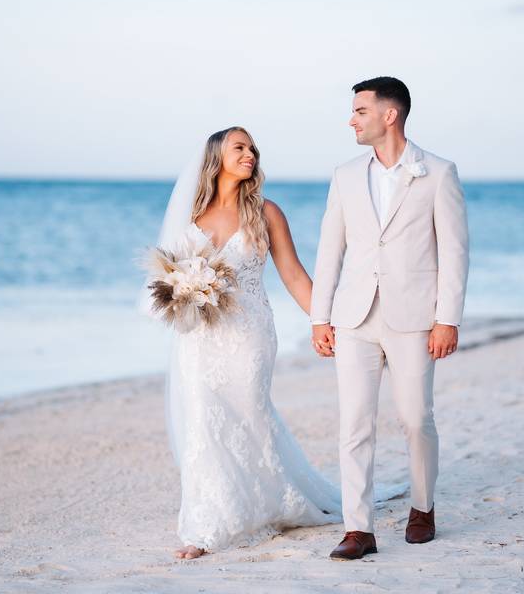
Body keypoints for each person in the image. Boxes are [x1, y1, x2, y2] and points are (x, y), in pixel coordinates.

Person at [155, 126, 342, 560]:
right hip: (199, 338)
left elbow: (294, 275)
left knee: (251, 415)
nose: (251, 154)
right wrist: (185, 292)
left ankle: (265, 502)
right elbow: (165, 280)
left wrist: (324, 322)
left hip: (251, 334)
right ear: (217, 156)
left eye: (253, 148)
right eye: (240, 147)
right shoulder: (188, 218)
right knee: (203, 419)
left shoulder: (266, 212)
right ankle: (204, 526)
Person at [310, 77, 469, 560]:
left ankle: (423, 507)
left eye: (360, 110)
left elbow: (455, 252)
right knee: (354, 424)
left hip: (416, 317)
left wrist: (448, 319)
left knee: (416, 418)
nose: (351, 119)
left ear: (389, 115)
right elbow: (329, 248)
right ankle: (359, 529)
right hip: (354, 317)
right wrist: (321, 316)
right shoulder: (344, 175)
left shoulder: (437, 173)